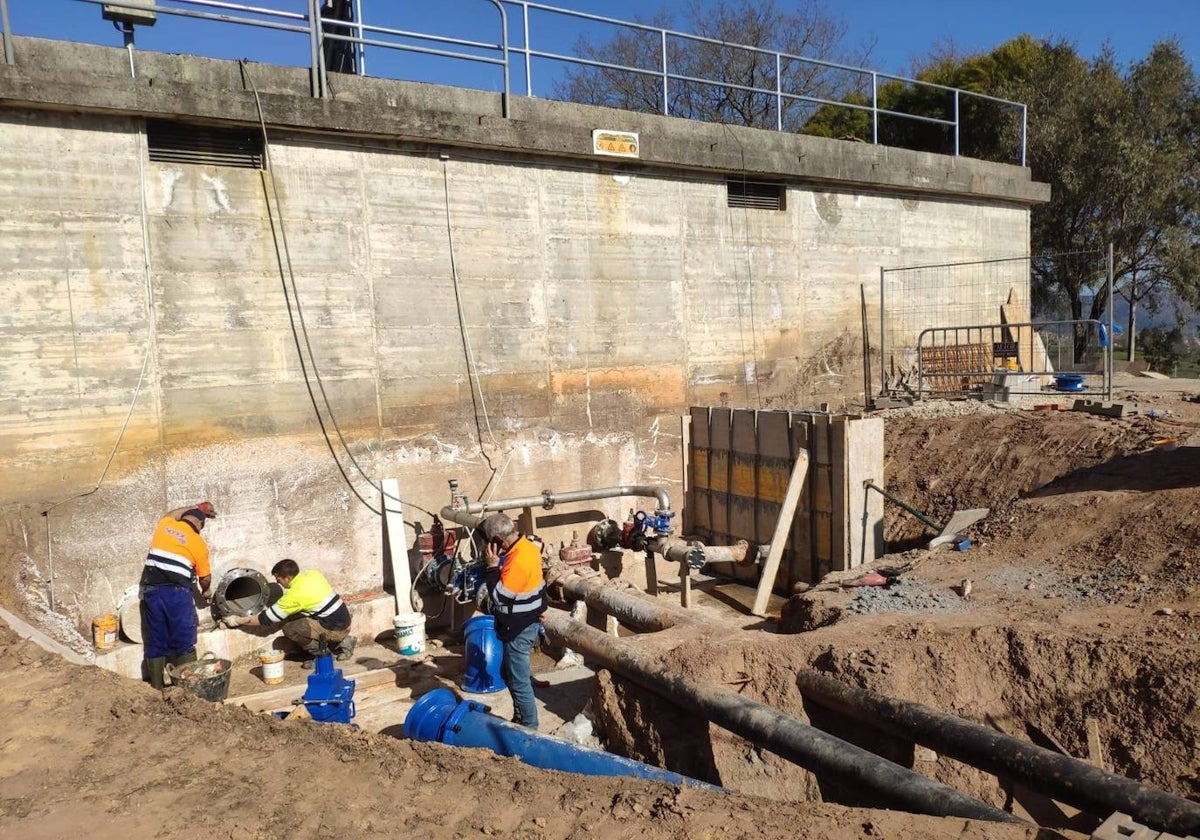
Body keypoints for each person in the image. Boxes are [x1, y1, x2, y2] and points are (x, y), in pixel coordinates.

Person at [480, 512, 547, 729]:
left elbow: (499, 598)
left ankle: (529, 727)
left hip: (520, 628)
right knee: (509, 673)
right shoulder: (527, 547)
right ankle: (521, 717)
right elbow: (538, 584)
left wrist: (491, 567)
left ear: (498, 540)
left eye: (491, 543)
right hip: (526, 621)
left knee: (519, 683)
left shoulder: (516, 561)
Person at [140, 501, 217, 690]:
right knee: (184, 640)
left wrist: (196, 507)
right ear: (200, 525)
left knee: (156, 639)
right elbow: (205, 578)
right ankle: (187, 690)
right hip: (177, 594)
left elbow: (170, 513)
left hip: (152, 591)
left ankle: (156, 689)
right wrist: (205, 591)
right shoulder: (198, 543)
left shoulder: (165, 526)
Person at [223, 558, 356, 668]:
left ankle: (323, 657)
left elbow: (265, 619)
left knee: (290, 628)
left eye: (278, 579)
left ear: (287, 578)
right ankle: (344, 641)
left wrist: (237, 620)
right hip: (344, 621)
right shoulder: (313, 574)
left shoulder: (294, 596)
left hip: (336, 628)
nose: (277, 582)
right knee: (294, 616)